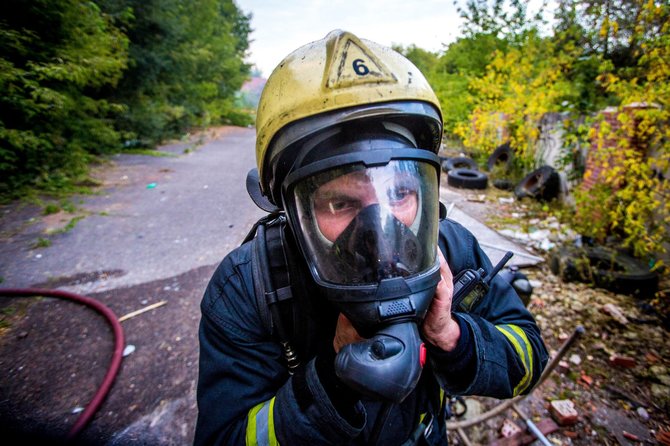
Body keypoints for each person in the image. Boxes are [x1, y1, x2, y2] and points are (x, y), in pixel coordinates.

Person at [195, 30, 548, 445]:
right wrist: (331, 382)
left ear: (425, 189)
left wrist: (452, 336)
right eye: (339, 204)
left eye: (398, 194)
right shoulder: (250, 287)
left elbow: (528, 355)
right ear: (293, 211)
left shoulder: (450, 250)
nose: (379, 231)